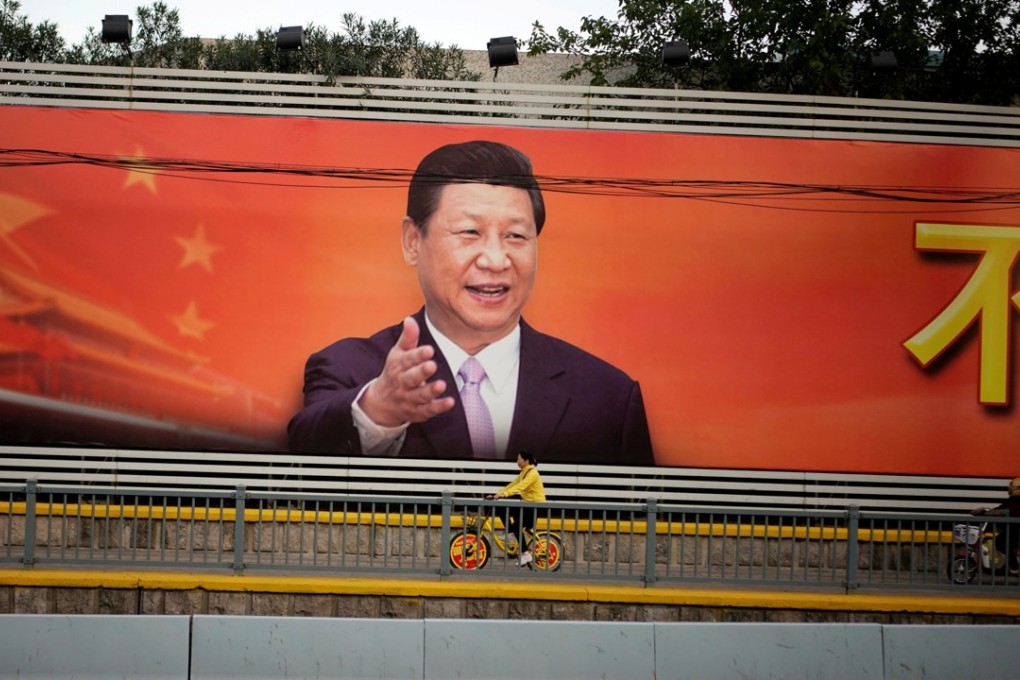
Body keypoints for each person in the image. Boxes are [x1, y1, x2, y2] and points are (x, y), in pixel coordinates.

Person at [287, 140, 654, 465]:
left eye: (515, 235)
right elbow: (303, 459)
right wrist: (379, 410)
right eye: (469, 232)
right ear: (413, 241)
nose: (495, 260)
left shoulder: (608, 396)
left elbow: (644, 534)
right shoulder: (349, 369)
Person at [486, 450, 545, 566]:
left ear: (526, 461)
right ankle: (511, 533)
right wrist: (497, 494)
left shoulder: (533, 473)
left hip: (535, 507)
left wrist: (504, 495)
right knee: (501, 508)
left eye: (519, 459)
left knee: (517, 525)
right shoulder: (524, 473)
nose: (517, 461)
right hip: (526, 506)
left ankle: (525, 554)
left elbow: (520, 487)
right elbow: (512, 484)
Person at [971, 476, 1020, 574]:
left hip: (1016, 531)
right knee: (998, 542)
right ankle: (1006, 565)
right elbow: (999, 509)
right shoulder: (1012, 500)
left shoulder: (1017, 501)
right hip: (1012, 529)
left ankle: (1015, 567)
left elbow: (1009, 511)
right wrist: (983, 511)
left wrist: (988, 512)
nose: (1010, 489)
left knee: (1001, 543)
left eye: (1012, 487)